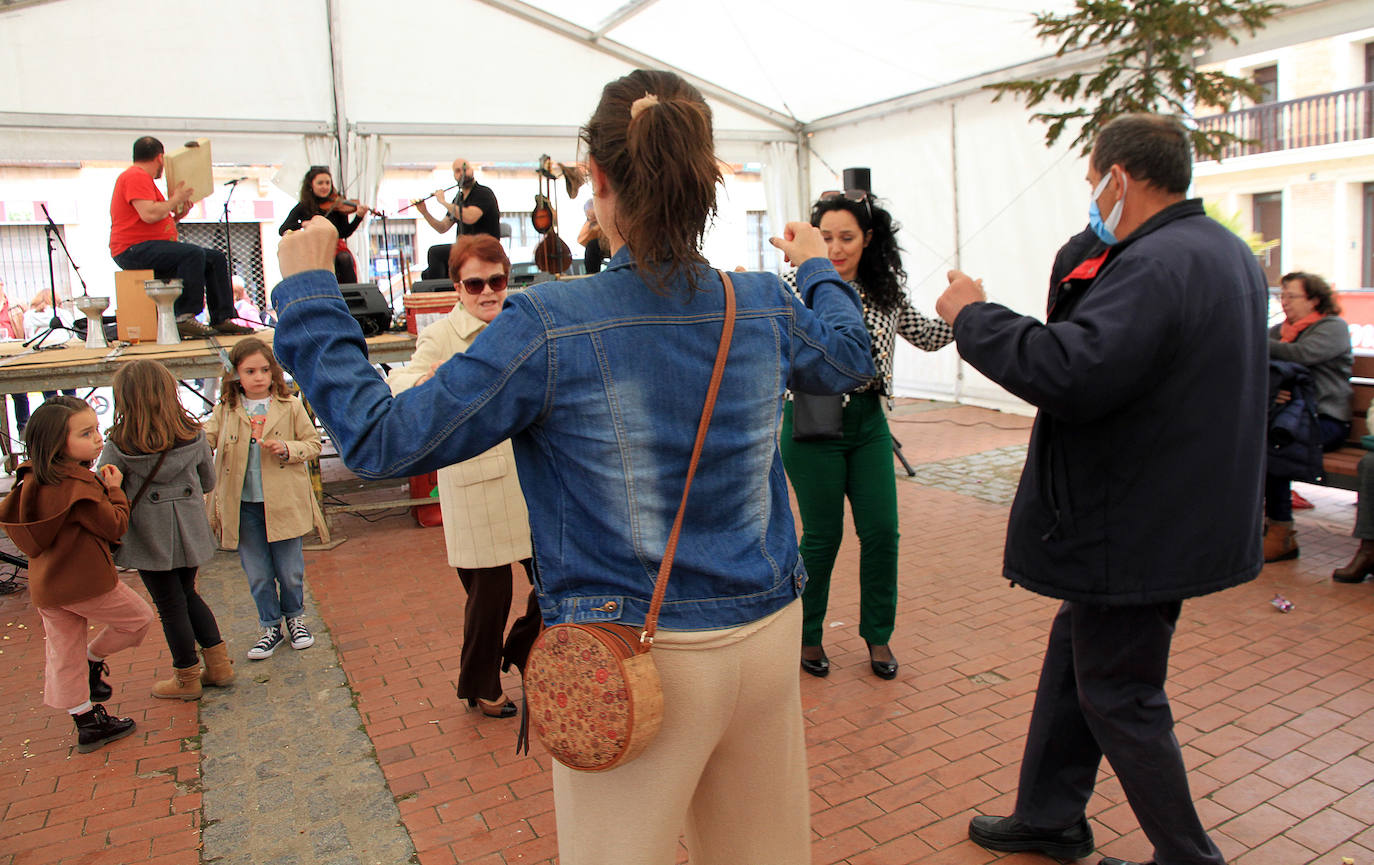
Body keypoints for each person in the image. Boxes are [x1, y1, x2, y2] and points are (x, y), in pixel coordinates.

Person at [269, 69, 874, 865]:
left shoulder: (550, 323)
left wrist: (311, 291)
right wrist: (819, 267)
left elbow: (383, 439)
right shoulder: (759, 299)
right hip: (763, 634)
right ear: (703, 173)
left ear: (596, 178)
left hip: (632, 651)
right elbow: (849, 356)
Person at [937, 114, 1266, 865]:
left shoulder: (1159, 264)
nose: (1089, 198)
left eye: (1092, 183)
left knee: (1121, 691)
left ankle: (1188, 855)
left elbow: (1071, 371)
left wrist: (973, 317)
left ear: (1119, 177)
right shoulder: (1221, 251)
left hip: (1138, 521)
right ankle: (1050, 816)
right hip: (1171, 511)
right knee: (1077, 655)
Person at [780, 190, 953, 681]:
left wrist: (967, 311)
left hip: (868, 422)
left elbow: (927, 335)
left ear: (868, 238)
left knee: (881, 531)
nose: (835, 248)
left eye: (847, 238)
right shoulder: (793, 286)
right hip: (812, 422)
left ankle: (878, 634)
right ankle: (807, 634)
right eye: (826, 237)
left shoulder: (884, 290)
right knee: (823, 536)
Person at [388, 235, 541, 719]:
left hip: (533, 477)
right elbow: (400, 381)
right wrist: (428, 380)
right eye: (475, 283)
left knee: (561, 579)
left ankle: (521, 650)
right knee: (488, 598)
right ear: (457, 287)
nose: (488, 292)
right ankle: (480, 684)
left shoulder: (523, 322)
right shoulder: (442, 336)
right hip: (477, 483)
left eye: (497, 280)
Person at [0, 396, 155, 753]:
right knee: (137, 619)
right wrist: (114, 489)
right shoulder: (79, 485)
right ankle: (94, 659)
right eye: (86, 433)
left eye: (96, 429)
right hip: (86, 581)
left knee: (62, 652)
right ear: (59, 443)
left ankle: (85, 721)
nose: (98, 438)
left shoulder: (30, 478)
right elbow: (115, 525)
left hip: (46, 584)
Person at [99, 360, 233, 700]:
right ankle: (219, 666)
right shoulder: (193, 434)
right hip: (188, 528)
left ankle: (187, 679)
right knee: (188, 595)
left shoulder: (119, 444)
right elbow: (208, 481)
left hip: (149, 533)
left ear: (125, 399)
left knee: (169, 605)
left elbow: (107, 486)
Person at [204, 338, 324, 661]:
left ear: (274, 372)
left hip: (283, 502)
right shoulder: (226, 410)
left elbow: (313, 444)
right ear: (235, 375)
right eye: (249, 371)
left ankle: (296, 618)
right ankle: (270, 625)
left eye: (264, 369)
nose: (258, 377)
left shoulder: (290, 405)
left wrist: (287, 448)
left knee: (289, 569)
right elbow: (206, 439)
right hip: (243, 506)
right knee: (257, 572)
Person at [108, 136, 253, 339]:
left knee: (215, 258)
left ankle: (222, 316)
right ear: (160, 158)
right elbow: (149, 214)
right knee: (192, 254)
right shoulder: (135, 176)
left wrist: (176, 217)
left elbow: (150, 219)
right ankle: (184, 316)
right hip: (132, 249)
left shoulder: (141, 179)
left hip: (144, 245)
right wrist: (175, 199)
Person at [1262, 271, 1352, 562]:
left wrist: (1252, 337)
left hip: (1325, 418)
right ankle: (1252, 526)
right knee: (1246, 439)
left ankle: (1281, 531)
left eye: (1292, 296)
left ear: (1314, 299)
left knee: (1276, 446)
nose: (1284, 302)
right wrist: (1274, 391)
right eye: (1282, 295)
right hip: (1285, 417)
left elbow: (1301, 355)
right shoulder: (1279, 331)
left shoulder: (1332, 327)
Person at [278, 166, 371, 284]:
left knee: (344, 258)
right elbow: (283, 229)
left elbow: (343, 233)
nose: (325, 187)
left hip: (334, 247)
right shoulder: (304, 206)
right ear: (311, 185)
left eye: (328, 183)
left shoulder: (338, 204)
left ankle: (351, 295)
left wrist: (358, 217)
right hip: (313, 250)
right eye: (320, 183)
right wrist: (303, 224)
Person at [414, 158, 501, 279]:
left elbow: (470, 217)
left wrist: (443, 202)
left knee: (435, 253)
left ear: (472, 170)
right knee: (427, 274)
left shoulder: (483, 193)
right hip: (466, 249)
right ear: (454, 175)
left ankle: (441, 292)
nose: (463, 173)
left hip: (484, 248)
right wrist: (424, 212)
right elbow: (442, 227)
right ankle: (442, 290)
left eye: (465, 169)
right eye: (458, 171)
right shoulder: (458, 199)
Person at [576, 199, 605, 274]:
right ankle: (591, 275)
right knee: (592, 246)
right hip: (601, 246)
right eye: (589, 217)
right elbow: (581, 240)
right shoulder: (590, 224)